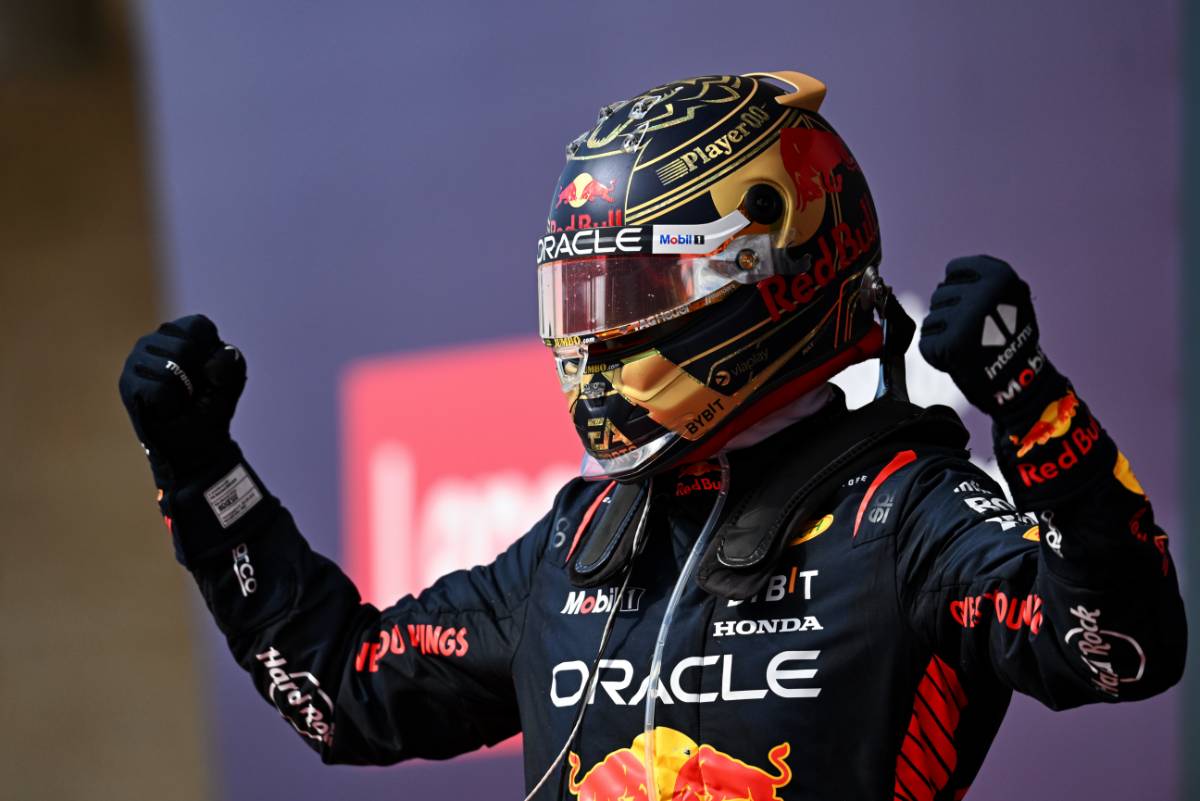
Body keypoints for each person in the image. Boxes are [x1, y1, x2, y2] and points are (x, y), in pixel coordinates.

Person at [118, 72, 1185, 801]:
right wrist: (203, 470)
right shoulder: (582, 539)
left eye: (626, 288)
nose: (591, 336)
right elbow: (344, 692)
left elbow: (1122, 650)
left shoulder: (905, 510)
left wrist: (1031, 406)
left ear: (767, 266)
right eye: (576, 297)